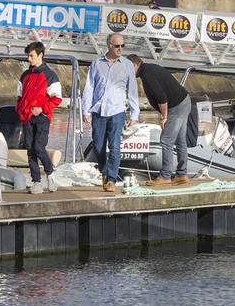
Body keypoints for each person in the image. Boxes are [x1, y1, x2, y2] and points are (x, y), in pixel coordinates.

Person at [80, 33, 140, 192]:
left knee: (114, 147)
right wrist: (85, 110)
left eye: (122, 46)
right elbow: (89, 88)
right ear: (108, 45)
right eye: (117, 46)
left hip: (117, 111)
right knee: (98, 146)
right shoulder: (97, 63)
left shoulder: (127, 64)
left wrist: (134, 114)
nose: (120, 49)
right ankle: (104, 171)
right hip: (99, 110)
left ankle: (111, 179)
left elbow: (132, 90)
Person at [130, 52, 193, 185]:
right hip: (184, 101)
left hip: (176, 106)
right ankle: (182, 174)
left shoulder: (147, 75)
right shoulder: (150, 68)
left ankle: (165, 176)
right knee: (180, 140)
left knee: (166, 141)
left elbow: (161, 97)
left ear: (135, 64)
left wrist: (164, 117)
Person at [15, 41, 63, 194]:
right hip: (27, 117)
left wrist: (42, 109)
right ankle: (36, 182)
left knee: (38, 147)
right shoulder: (25, 75)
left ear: (40, 55)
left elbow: (57, 98)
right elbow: (19, 96)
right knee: (30, 150)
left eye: (31, 56)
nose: (29, 59)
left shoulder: (50, 75)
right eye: (28, 56)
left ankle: (50, 175)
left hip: (42, 117)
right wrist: (21, 110)